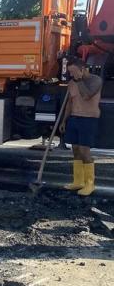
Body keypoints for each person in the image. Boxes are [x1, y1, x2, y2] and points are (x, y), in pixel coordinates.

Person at [60, 58, 103, 196]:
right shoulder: (72, 83)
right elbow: (69, 103)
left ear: (83, 69)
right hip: (74, 118)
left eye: (73, 72)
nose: (72, 75)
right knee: (76, 150)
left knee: (85, 151)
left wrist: (78, 81)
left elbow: (86, 96)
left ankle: (90, 184)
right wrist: (64, 121)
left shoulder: (96, 80)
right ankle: (78, 181)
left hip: (89, 119)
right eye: (70, 72)